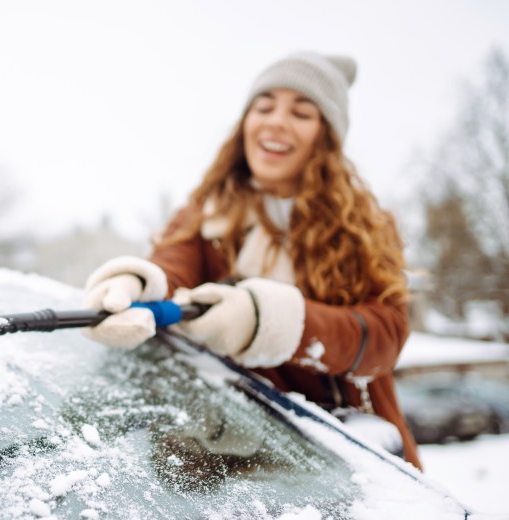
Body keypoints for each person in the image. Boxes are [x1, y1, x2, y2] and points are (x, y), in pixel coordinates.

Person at [82, 51, 422, 470]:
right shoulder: (205, 215)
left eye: (301, 112)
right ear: (246, 122)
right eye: (264, 106)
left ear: (326, 136)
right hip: (227, 461)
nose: (276, 121)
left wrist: (267, 320)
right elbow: (172, 269)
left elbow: (384, 336)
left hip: (347, 465)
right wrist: (135, 283)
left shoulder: (365, 228)